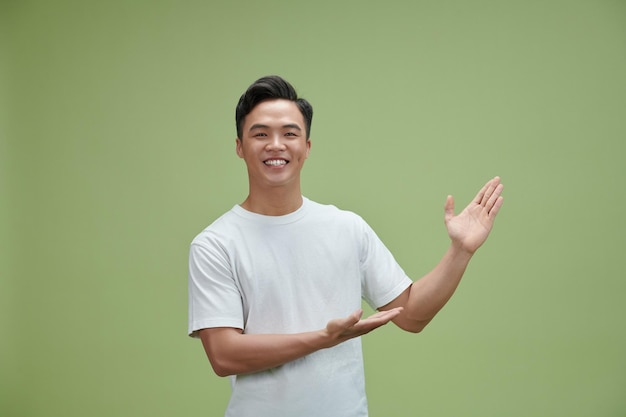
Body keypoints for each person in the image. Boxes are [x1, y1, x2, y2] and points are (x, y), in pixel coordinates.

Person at [188, 75, 504, 417]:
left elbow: (412, 315)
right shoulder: (215, 244)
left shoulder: (347, 228)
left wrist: (460, 251)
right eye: (260, 134)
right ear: (239, 146)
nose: (276, 145)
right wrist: (323, 338)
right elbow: (224, 355)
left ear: (306, 148)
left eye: (290, 133)